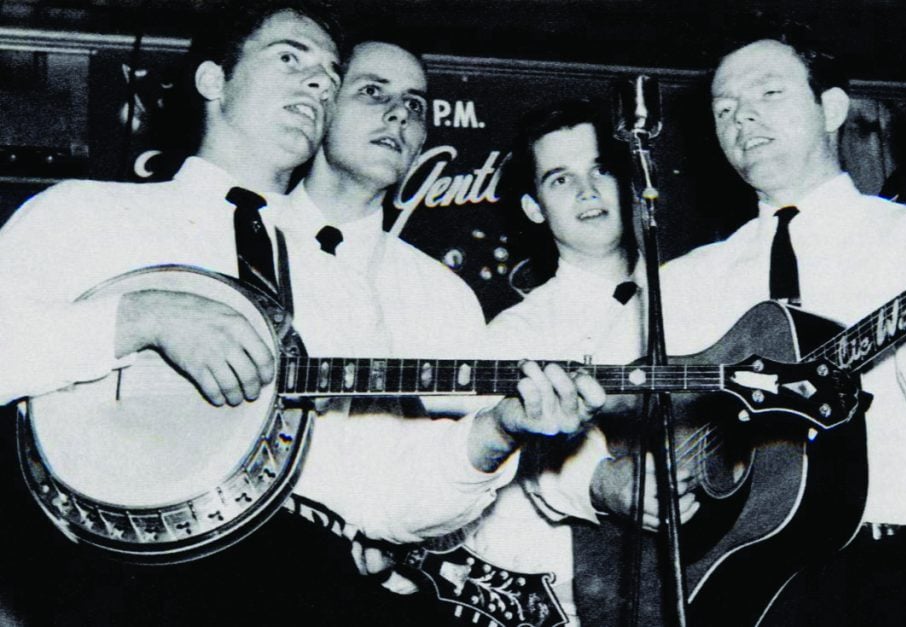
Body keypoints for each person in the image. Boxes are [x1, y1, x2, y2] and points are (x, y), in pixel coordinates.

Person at [0, 8, 603, 625]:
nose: (318, 82)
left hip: (298, 582)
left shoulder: (336, 283)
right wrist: (138, 318)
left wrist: (499, 429)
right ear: (214, 79)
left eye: (329, 73)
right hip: (114, 583)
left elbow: (382, 496)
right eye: (291, 59)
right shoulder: (83, 214)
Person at [659, 23, 906, 626]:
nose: (741, 118)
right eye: (724, 109)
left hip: (899, 576)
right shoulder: (683, 281)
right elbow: (631, 421)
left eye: (768, 94)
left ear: (832, 108)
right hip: (742, 585)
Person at [461, 99, 699, 625]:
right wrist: (605, 481)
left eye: (601, 170)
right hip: (571, 596)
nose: (589, 191)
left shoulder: (700, 290)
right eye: (561, 180)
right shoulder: (515, 334)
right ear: (533, 207)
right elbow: (518, 458)